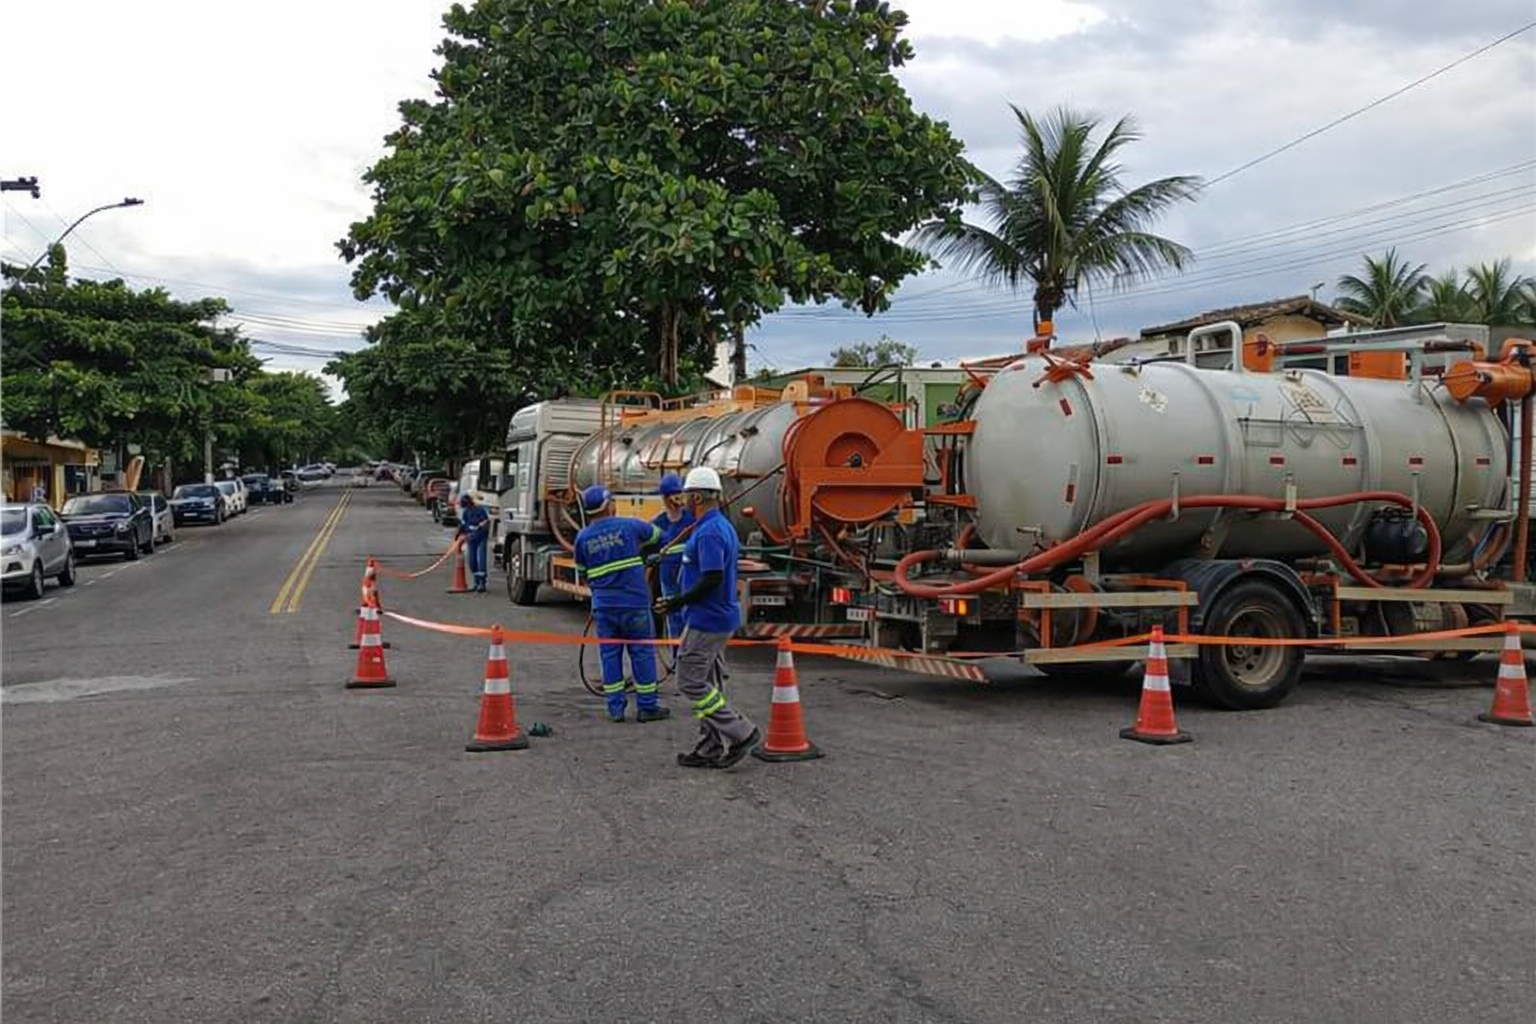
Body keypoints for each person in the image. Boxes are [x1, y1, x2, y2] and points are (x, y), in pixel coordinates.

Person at [654, 467, 759, 769]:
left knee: (689, 681)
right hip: (714, 617)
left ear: (697, 497)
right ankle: (710, 746)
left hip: (707, 620)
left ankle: (741, 732)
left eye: (686, 495)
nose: (683, 500)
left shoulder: (710, 531)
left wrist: (677, 601)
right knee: (709, 684)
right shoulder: (717, 525)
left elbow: (712, 578)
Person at [573, 484, 670, 723]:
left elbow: (583, 573)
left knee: (610, 655)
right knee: (642, 653)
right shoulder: (630, 526)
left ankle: (615, 708)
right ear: (609, 506)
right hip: (634, 604)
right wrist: (646, 554)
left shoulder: (582, 538)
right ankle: (647, 707)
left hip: (604, 608)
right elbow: (661, 537)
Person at [650, 472, 694, 640]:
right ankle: (676, 653)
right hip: (668, 578)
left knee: (688, 617)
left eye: (679, 495)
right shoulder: (658, 523)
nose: (676, 501)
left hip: (688, 577)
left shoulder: (692, 521)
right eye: (673, 496)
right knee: (673, 620)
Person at [456, 493, 492, 592]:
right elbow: (463, 524)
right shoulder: (466, 512)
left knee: (481, 560)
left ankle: (482, 583)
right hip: (471, 539)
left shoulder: (480, 510)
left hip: (481, 537)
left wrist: (480, 526)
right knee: (472, 561)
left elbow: (486, 522)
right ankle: (476, 581)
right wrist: (459, 533)